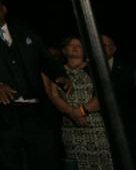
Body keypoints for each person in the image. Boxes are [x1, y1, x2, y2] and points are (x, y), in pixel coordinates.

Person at [0, 0, 69, 170]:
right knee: (7, 164)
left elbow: (46, 59)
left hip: (35, 113)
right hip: (2, 115)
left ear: (4, 9)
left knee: (45, 161)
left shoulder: (25, 33)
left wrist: (60, 74)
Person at [49, 37, 114, 170]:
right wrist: (71, 113)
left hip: (95, 129)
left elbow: (101, 97)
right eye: (71, 44)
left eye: (79, 45)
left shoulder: (95, 69)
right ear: (64, 50)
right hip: (71, 130)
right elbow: (54, 97)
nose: (75, 47)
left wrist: (80, 112)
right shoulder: (57, 71)